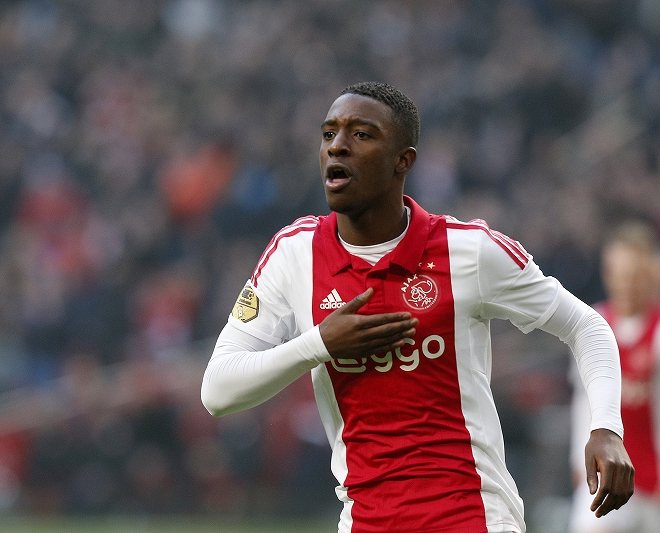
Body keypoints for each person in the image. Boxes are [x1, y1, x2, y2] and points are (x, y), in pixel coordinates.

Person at [200, 81, 634, 533]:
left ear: (402, 161)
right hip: (365, 521)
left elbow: (587, 326)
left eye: (361, 134)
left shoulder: (469, 250)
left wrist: (606, 427)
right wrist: (318, 345)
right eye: (329, 134)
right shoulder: (294, 255)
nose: (337, 147)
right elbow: (217, 390)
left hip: (473, 518)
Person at [569, 221, 660, 533]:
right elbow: (582, 401)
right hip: (605, 479)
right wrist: (577, 460)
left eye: (635, 275)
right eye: (620, 275)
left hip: (655, 481)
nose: (627, 285)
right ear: (607, 274)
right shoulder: (591, 325)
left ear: (650, 273)